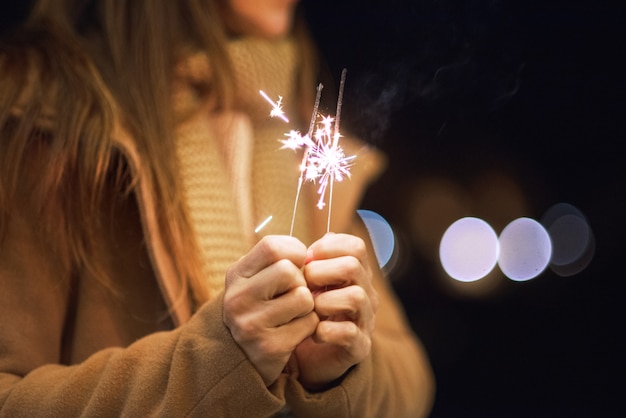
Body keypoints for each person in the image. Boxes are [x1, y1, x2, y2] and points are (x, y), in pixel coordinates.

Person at [0, 0, 435, 416]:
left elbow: (412, 385)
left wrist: (337, 370)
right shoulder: (42, 121)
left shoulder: (300, 127)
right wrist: (217, 362)